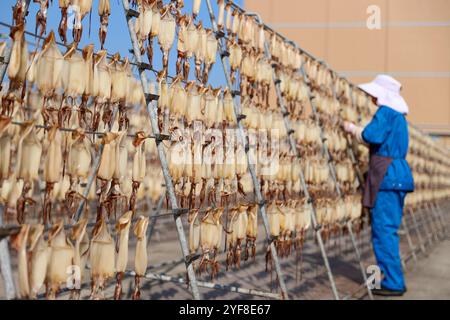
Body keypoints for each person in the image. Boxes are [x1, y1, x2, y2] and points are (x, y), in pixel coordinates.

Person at [343, 74, 414, 297]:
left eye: (374, 95)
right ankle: (390, 277)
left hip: (387, 176)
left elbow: (371, 135)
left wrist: (353, 129)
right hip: (398, 174)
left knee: (383, 230)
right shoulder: (399, 117)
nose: (373, 99)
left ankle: (393, 282)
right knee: (388, 229)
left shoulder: (386, 113)